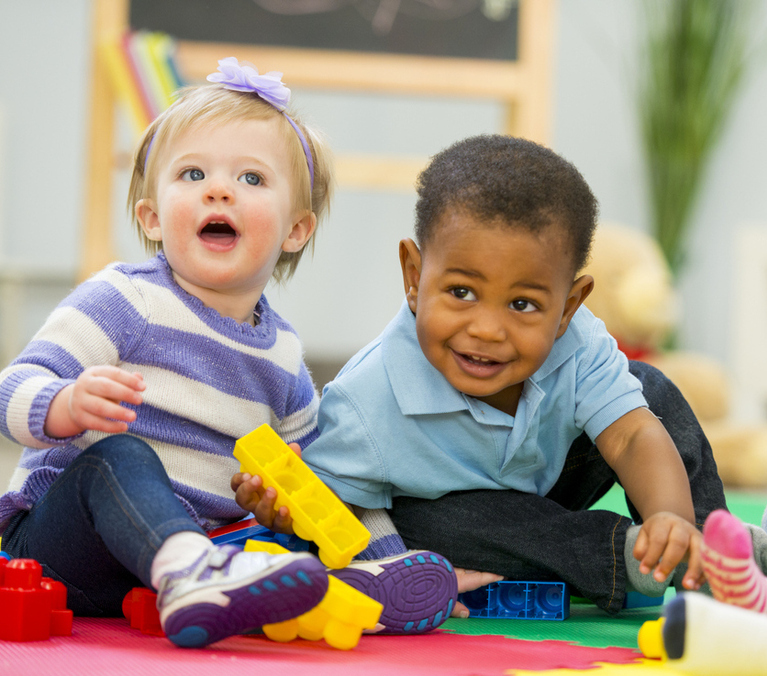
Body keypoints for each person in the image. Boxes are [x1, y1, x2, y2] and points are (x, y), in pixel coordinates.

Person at [290, 134, 731, 616]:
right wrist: (390, 568)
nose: (486, 330)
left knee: (649, 389)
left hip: (559, 472)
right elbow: (332, 510)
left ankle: (707, 550)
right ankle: (626, 557)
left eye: (522, 305)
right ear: (414, 277)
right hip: (484, 525)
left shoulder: (578, 342)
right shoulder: (367, 401)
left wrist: (670, 515)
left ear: (567, 309)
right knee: (435, 527)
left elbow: (628, 438)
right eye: (461, 292)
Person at [0, 58, 335, 648]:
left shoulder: (283, 356)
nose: (220, 188)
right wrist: (65, 404)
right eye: (192, 173)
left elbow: (319, 477)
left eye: (252, 179)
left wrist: (282, 507)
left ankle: (211, 580)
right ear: (152, 218)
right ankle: (190, 571)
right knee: (118, 456)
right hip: (61, 549)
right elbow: (11, 389)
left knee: (284, 536)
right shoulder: (125, 299)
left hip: (175, 566)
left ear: (296, 230)